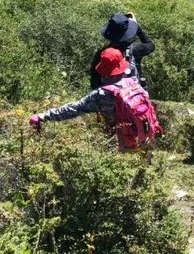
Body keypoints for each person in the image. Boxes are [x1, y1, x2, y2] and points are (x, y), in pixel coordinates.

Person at [30, 47, 161, 151]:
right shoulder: (133, 81)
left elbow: (73, 109)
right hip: (145, 134)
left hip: (121, 140)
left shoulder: (102, 94)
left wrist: (44, 116)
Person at [90, 13, 155, 91]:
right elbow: (150, 45)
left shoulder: (102, 54)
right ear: (127, 31)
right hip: (132, 98)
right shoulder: (135, 49)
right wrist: (137, 26)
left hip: (109, 98)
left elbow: (94, 82)